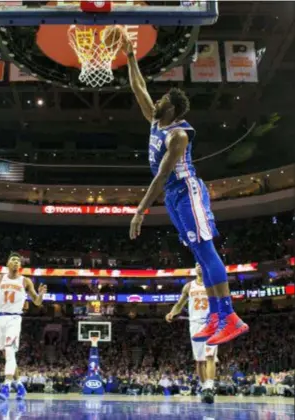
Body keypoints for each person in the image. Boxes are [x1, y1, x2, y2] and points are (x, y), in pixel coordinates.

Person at [122, 28, 248, 346]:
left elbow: (164, 174)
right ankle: (217, 317)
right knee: (197, 253)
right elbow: (138, 87)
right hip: (173, 197)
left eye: (162, 99)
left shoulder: (178, 135)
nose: (157, 100)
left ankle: (229, 315)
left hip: (186, 190)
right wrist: (130, 55)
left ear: (172, 110)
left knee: (206, 250)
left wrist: (139, 211)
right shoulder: (155, 120)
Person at [0, 253, 47, 401]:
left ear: (20, 265)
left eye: (18, 260)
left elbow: (36, 302)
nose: (16, 262)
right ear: (7, 263)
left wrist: (41, 295)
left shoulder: (25, 281)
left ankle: (6, 387)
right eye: (13, 260)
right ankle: (20, 386)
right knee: (8, 355)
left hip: (14, 318)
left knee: (10, 351)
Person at [166, 263, 218, 404]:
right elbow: (180, 304)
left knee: (210, 355)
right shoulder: (189, 286)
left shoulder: (213, 284)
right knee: (199, 360)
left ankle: (209, 386)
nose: (200, 266)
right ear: (195, 269)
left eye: (202, 264)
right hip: (194, 323)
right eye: (197, 265)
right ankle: (203, 388)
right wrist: (172, 313)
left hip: (210, 323)